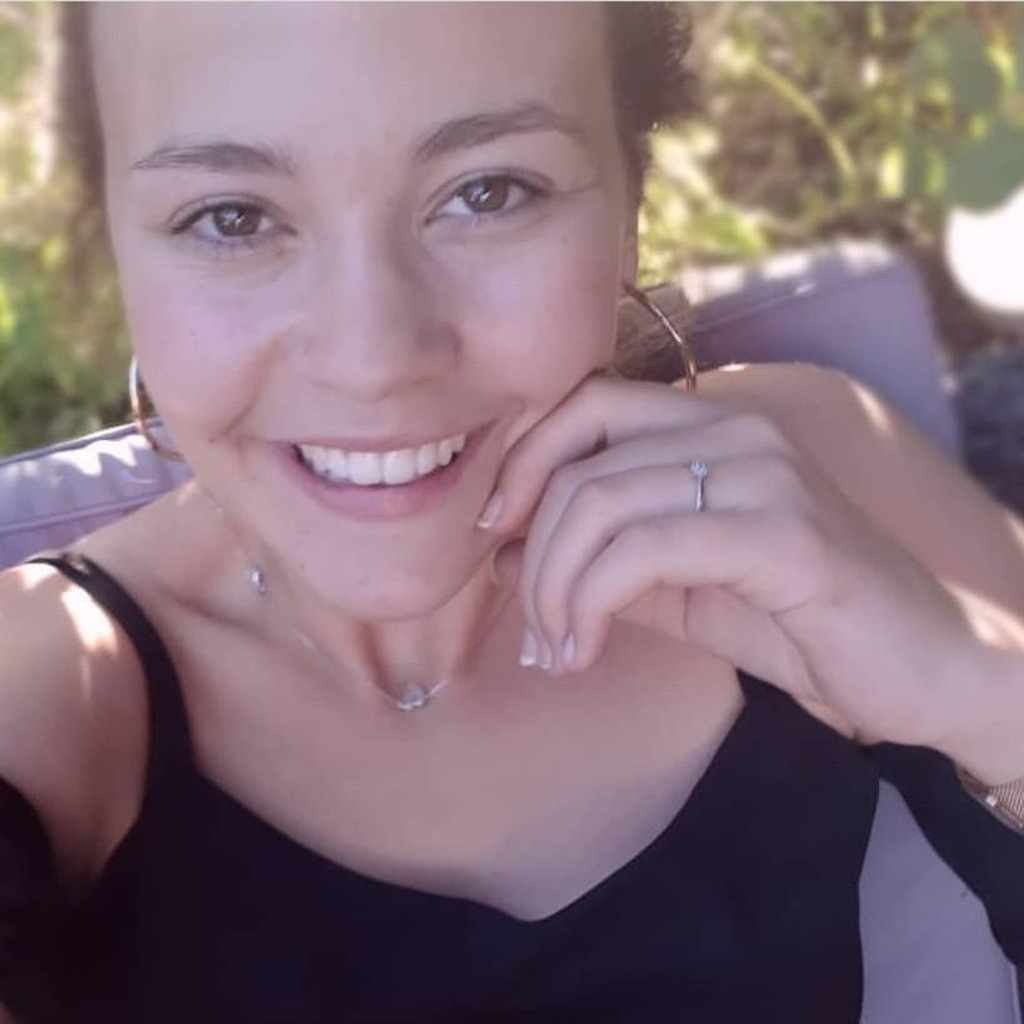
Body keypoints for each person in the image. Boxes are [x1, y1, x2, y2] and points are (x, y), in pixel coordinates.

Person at [1, 3, 1023, 1022]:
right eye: (230, 218)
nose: (374, 358)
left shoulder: (810, 487)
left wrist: (976, 691)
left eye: (488, 191)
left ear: (629, 208)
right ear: (119, 256)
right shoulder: (49, 692)